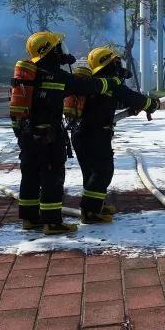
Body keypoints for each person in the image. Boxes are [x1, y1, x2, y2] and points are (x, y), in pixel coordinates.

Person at [10, 31, 127, 234]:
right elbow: (87, 86)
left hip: (27, 135)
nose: (62, 51)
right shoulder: (55, 75)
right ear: (50, 50)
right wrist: (113, 82)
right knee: (52, 177)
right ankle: (52, 222)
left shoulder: (32, 74)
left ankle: (30, 219)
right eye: (58, 47)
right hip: (48, 137)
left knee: (30, 176)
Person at [67, 46, 159, 224]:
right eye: (116, 62)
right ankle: (90, 212)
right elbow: (133, 97)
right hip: (95, 135)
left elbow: (108, 105)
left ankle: (94, 206)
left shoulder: (97, 84)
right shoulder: (111, 82)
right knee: (103, 172)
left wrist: (131, 110)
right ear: (109, 64)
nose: (119, 66)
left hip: (80, 134)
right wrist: (152, 104)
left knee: (91, 172)